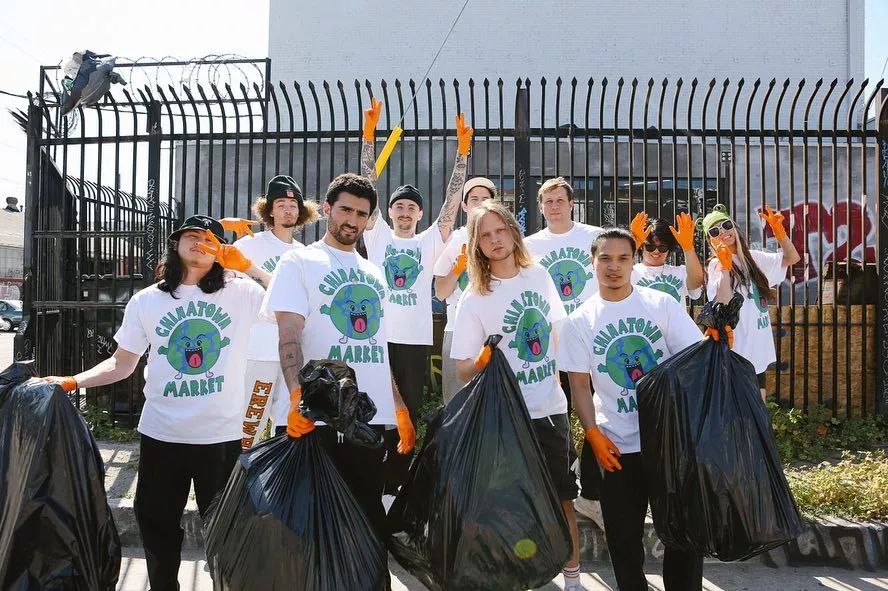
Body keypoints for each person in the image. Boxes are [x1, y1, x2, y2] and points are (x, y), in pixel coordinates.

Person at [45, 215, 270, 591]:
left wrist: (249, 268)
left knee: (227, 531)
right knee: (157, 526)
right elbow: (122, 363)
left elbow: (292, 303)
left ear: (222, 251)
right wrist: (72, 381)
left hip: (221, 437)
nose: (200, 243)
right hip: (162, 434)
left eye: (210, 239)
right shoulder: (147, 300)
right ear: (175, 244)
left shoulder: (242, 293)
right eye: (192, 236)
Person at [262, 172, 414, 588]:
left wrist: (398, 407)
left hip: (368, 418)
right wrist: (297, 397)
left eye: (361, 214)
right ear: (327, 209)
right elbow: (289, 335)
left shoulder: (374, 272)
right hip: (315, 416)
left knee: (366, 523)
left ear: (369, 220)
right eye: (345, 209)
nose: (352, 219)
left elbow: (377, 349)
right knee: (307, 530)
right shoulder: (298, 262)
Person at [558, 228, 705, 591]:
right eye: (605, 258)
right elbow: (578, 384)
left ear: (634, 261)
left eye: (623, 258)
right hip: (616, 446)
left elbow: (694, 359)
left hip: (669, 443)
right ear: (592, 262)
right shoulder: (579, 320)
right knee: (624, 543)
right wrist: (592, 434)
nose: (614, 266)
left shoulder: (661, 305)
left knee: (682, 538)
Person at [450, 201, 584, 591]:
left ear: (512, 231)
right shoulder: (474, 298)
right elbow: (461, 369)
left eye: (500, 230)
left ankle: (573, 579)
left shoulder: (539, 276)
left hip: (549, 410)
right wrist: (483, 359)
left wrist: (558, 377)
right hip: (505, 421)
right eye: (485, 235)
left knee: (562, 499)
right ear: (476, 244)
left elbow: (558, 332)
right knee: (508, 505)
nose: (495, 240)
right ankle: (517, 577)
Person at [360, 98, 472, 492]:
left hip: (416, 340)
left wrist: (462, 155)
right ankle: (369, 483)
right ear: (388, 212)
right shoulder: (376, 236)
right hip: (377, 337)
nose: (405, 211)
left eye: (412, 207)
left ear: (420, 215)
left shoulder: (429, 243)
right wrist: (369, 137)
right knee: (372, 410)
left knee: (406, 417)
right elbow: (366, 186)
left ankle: (394, 489)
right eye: (399, 206)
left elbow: (452, 204)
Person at [523, 176, 605, 528]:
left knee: (597, 418)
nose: (554, 206)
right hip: (549, 347)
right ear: (540, 207)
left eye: (560, 200)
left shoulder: (594, 237)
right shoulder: (528, 246)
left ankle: (592, 495)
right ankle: (550, 489)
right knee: (553, 422)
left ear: (572, 203)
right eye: (548, 201)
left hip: (591, 341)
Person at [229, 175, 320, 448]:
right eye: (281, 204)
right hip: (260, 348)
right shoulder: (248, 246)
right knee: (251, 420)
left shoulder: (306, 254)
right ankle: (240, 482)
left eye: (293, 205)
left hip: (295, 352)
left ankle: (276, 481)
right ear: (270, 210)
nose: (288, 210)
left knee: (287, 419)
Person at [702, 203, 800, 399]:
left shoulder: (754, 258)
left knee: (758, 411)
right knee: (741, 415)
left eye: (726, 225)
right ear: (710, 240)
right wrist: (724, 268)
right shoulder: (715, 264)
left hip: (757, 349)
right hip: (737, 351)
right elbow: (724, 303)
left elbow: (792, 258)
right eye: (714, 231)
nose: (723, 232)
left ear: (735, 227)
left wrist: (779, 233)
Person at [432, 175, 497, 402]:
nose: (479, 204)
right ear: (464, 205)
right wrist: (457, 270)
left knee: (493, 399)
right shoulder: (454, 239)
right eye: (474, 199)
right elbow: (440, 292)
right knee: (456, 400)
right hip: (457, 329)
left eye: (485, 199)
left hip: (494, 331)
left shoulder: (503, 239)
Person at [629, 211, 704, 305]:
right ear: (641, 247)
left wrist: (688, 248)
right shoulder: (631, 272)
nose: (656, 251)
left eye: (662, 247)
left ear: (669, 249)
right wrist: (632, 246)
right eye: (650, 247)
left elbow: (696, 283)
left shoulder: (680, 272)